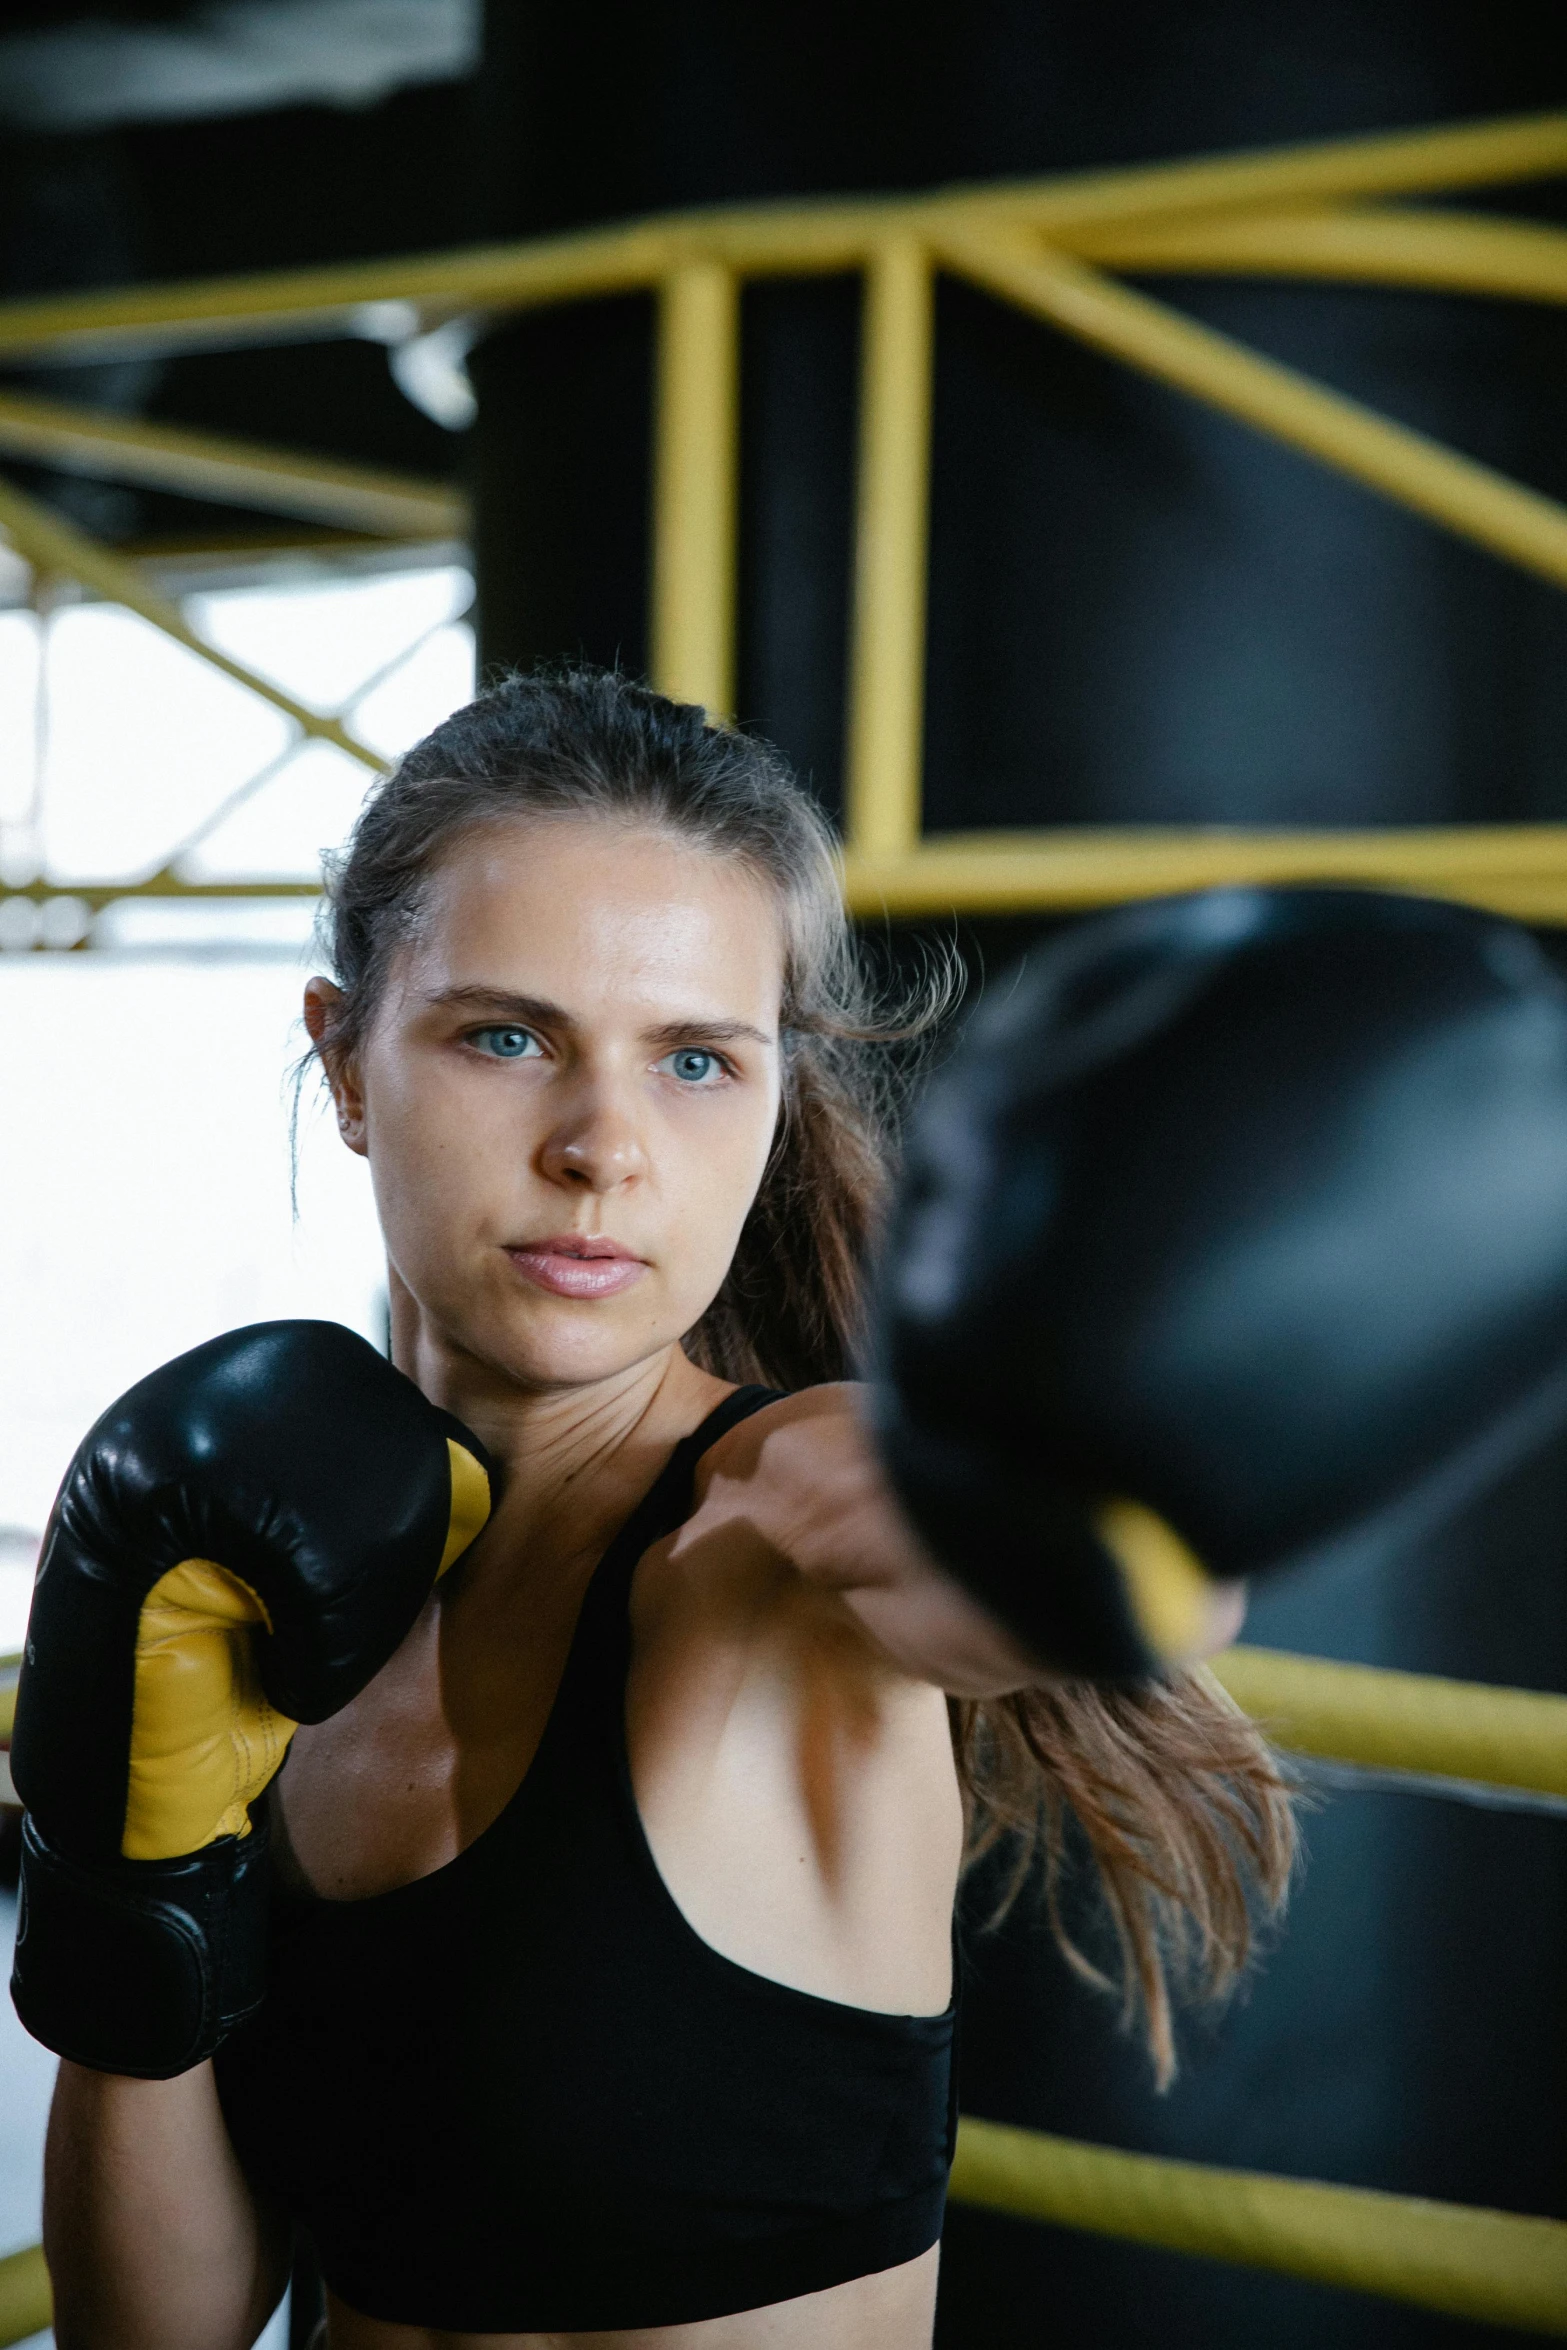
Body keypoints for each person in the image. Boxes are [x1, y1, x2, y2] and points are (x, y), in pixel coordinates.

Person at [36, 669, 1290, 2350]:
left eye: (695, 1060)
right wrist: (133, 1895)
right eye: (505, 1035)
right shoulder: (264, 1582)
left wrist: (1109, 1505)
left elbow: (1001, 1568)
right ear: (343, 1061)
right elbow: (161, 2330)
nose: (603, 1146)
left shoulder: (763, 1535)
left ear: (773, 1101)